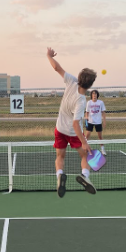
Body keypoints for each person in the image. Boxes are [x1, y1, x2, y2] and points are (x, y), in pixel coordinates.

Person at [46, 47, 97, 198]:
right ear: (90, 85)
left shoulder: (71, 81)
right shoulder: (81, 101)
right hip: (72, 133)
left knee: (60, 156)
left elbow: (56, 67)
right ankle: (85, 176)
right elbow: (76, 124)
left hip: (59, 129)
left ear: (80, 78)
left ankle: (60, 175)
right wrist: (85, 142)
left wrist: (49, 56)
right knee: (85, 156)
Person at [85, 90, 107, 155]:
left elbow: (103, 113)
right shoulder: (89, 103)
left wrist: (104, 122)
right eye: (93, 94)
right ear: (91, 95)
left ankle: (102, 149)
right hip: (90, 121)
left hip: (98, 122)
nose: (94, 95)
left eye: (95, 94)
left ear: (97, 95)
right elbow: (87, 112)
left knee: (100, 136)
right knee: (87, 135)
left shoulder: (101, 103)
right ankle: (86, 148)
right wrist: (86, 119)